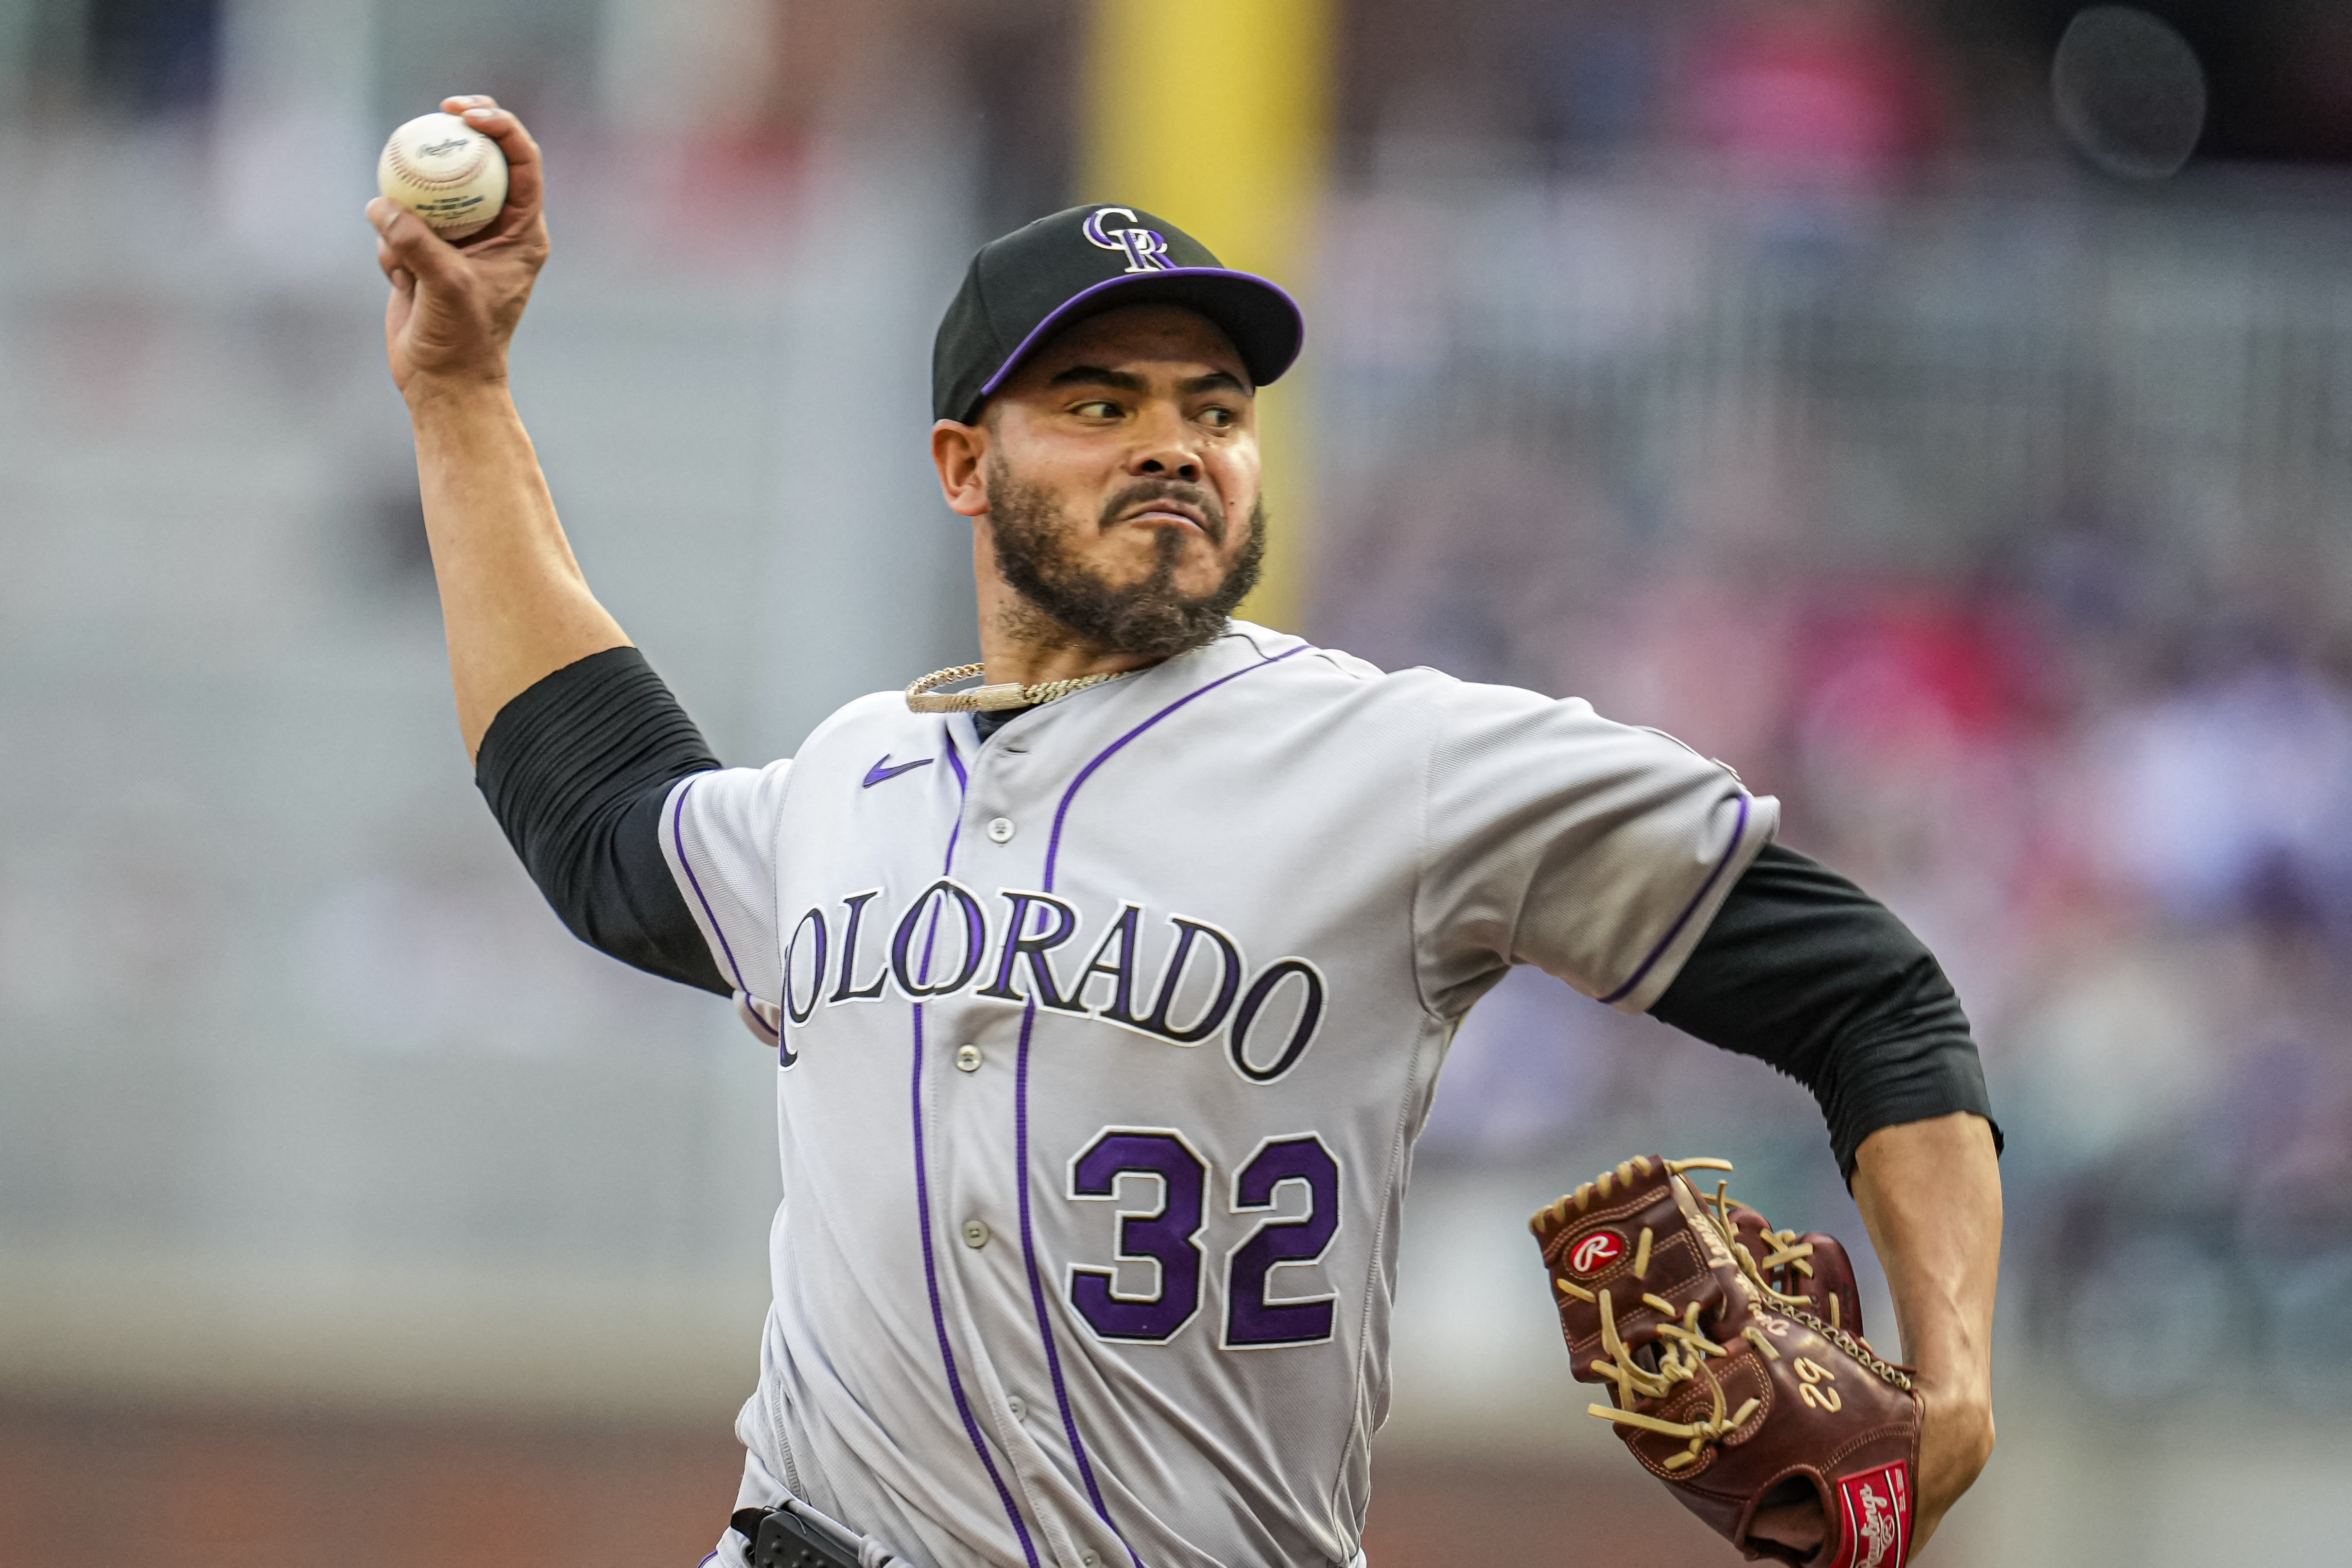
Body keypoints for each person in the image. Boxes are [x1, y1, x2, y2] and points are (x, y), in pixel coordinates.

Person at [368, 95, 2000, 1568]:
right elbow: (602, 819)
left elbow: (1871, 993)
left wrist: (1958, 1377)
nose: (1171, 439)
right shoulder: (849, 783)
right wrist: (459, 389)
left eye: (1212, 408)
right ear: (963, 463)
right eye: (1095, 399)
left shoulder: (1406, 765)